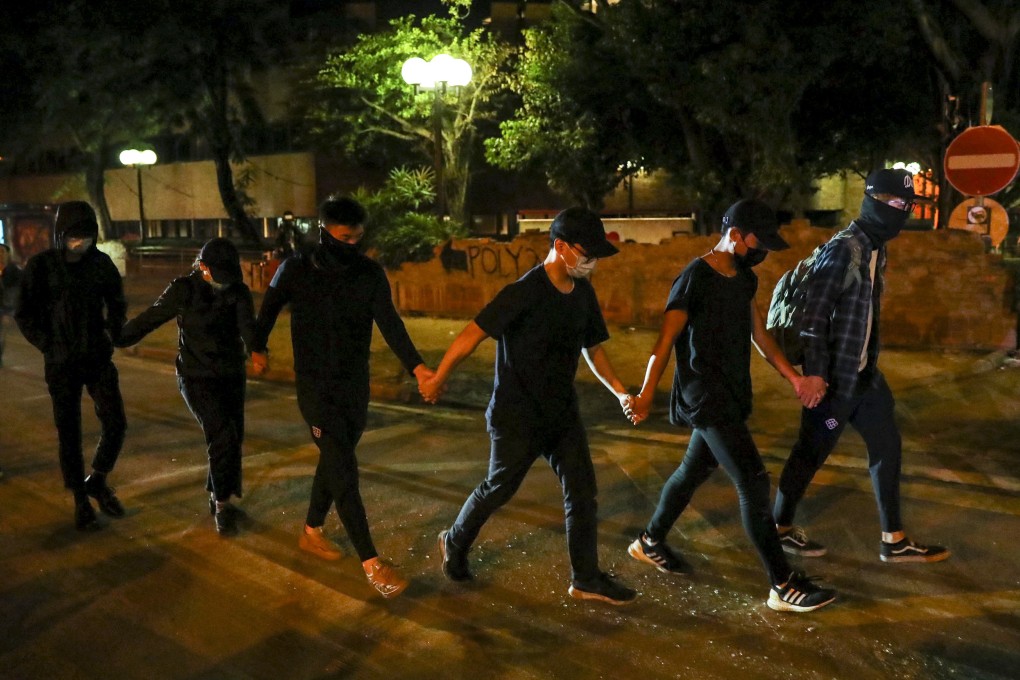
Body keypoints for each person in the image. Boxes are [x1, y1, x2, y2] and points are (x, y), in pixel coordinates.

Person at [626, 199, 837, 613]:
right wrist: (647, 391)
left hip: (733, 392)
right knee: (753, 481)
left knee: (695, 468)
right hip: (705, 395)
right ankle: (782, 584)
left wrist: (794, 378)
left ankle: (649, 541)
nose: (762, 252)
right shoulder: (693, 278)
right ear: (735, 234)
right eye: (758, 242)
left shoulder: (743, 278)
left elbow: (760, 335)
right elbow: (664, 341)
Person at [420, 207, 638, 606]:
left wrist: (621, 391)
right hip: (516, 415)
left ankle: (585, 578)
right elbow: (472, 334)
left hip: (561, 414)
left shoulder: (582, 293)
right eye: (586, 253)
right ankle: (453, 541)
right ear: (560, 247)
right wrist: (438, 376)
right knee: (498, 489)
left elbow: (594, 349)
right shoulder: (524, 292)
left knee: (582, 490)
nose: (591, 263)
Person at [251, 196, 433, 599]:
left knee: (336, 459)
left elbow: (390, 324)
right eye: (345, 237)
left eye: (359, 237)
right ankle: (372, 563)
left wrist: (417, 367)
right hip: (315, 387)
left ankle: (311, 531)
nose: (354, 244)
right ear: (325, 233)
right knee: (343, 467)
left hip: (355, 384)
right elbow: (268, 309)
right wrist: (258, 347)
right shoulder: (295, 268)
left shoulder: (368, 274)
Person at [772, 169, 950, 564]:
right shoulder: (844, 249)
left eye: (906, 206)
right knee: (811, 452)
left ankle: (894, 539)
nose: (900, 212)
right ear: (872, 200)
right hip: (835, 383)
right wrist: (815, 374)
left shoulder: (874, 247)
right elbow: (815, 316)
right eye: (893, 203)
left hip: (864, 377)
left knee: (887, 446)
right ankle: (778, 528)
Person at [115, 238, 255, 535]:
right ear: (203, 267)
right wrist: (119, 338)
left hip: (231, 375)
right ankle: (222, 505)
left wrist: (258, 349)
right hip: (195, 376)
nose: (225, 283)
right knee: (222, 435)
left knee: (232, 437)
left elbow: (247, 327)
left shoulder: (238, 291)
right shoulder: (184, 288)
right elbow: (152, 317)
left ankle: (216, 489)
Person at [15, 201, 127, 530]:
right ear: (60, 234)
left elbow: (117, 303)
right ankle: (80, 498)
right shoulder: (41, 267)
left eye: (86, 235)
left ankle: (99, 479)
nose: (80, 242)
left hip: (97, 358)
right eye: (73, 235)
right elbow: (24, 314)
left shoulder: (101, 265)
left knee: (116, 422)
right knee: (69, 434)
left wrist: (113, 333)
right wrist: (48, 345)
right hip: (61, 364)